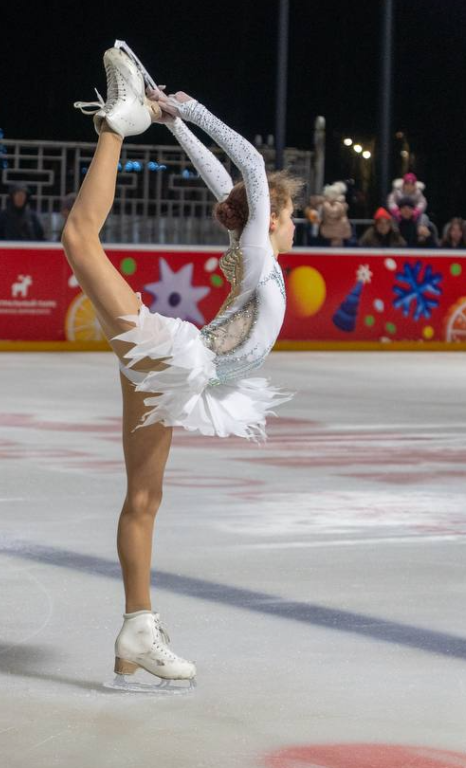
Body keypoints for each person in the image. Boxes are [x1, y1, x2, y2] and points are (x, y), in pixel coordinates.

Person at [65, 42, 298, 691]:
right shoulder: (258, 255)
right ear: (272, 219)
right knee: (80, 241)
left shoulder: (257, 255)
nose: (295, 223)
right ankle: (115, 124)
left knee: (144, 498)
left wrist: (174, 124)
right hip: (177, 355)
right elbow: (247, 165)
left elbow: (230, 183)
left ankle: (136, 631)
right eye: (291, 214)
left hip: (179, 377)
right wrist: (189, 109)